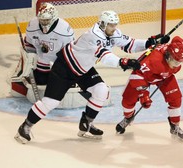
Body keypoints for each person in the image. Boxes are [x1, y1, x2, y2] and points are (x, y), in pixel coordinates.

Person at [14, 10, 170, 143]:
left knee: (101, 90)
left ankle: (86, 125)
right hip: (65, 68)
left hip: (83, 69)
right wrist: (124, 62)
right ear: (102, 24)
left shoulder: (112, 32)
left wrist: (150, 42)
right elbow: (104, 56)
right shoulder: (93, 35)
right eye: (111, 25)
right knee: (50, 103)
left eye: (115, 25)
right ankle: (25, 127)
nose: (114, 28)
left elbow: (129, 44)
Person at [115, 36, 183, 143]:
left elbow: (177, 40)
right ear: (168, 56)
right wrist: (143, 94)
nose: (176, 65)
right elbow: (136, 75)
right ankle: (128, 117)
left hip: (164, 76)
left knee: (175, 98)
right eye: (174, 61)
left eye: (179, 62)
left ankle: (175, 127)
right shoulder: (154, 60)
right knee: (127, 100)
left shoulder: (174, 58)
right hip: (143, 75)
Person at [10, 2, 75, 103]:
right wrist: (30, 59)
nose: (44, 22)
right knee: (17, 92)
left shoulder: (64, 31)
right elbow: (29, 44)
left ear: (54, 18)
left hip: (57, 68)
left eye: (47, 20)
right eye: (42, 20)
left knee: (58, 90)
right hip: (39, 66)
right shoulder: (33, 25)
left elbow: (71, 53)